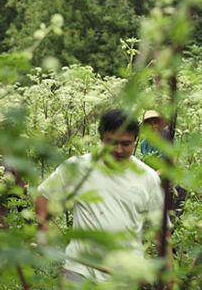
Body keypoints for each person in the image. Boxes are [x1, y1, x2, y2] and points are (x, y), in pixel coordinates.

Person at [35, 108, 166, 283]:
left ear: (135, 141)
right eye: (111, 142)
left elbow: (160, 228)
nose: (118, 149)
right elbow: (44, 195)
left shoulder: (148, 177)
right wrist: (43, 232)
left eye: (125, 144)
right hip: (80, 271)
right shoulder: (78, 167)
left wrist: (165, 269)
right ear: (101, 139)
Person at [140, 109, 187, 219]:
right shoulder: (144, 144)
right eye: (149, 124)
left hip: (174, 183)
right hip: (156, 185)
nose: (153, 126)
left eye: (155, 123)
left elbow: (172, 162)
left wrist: (155, 174)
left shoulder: (169, 138)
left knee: (173, 218)